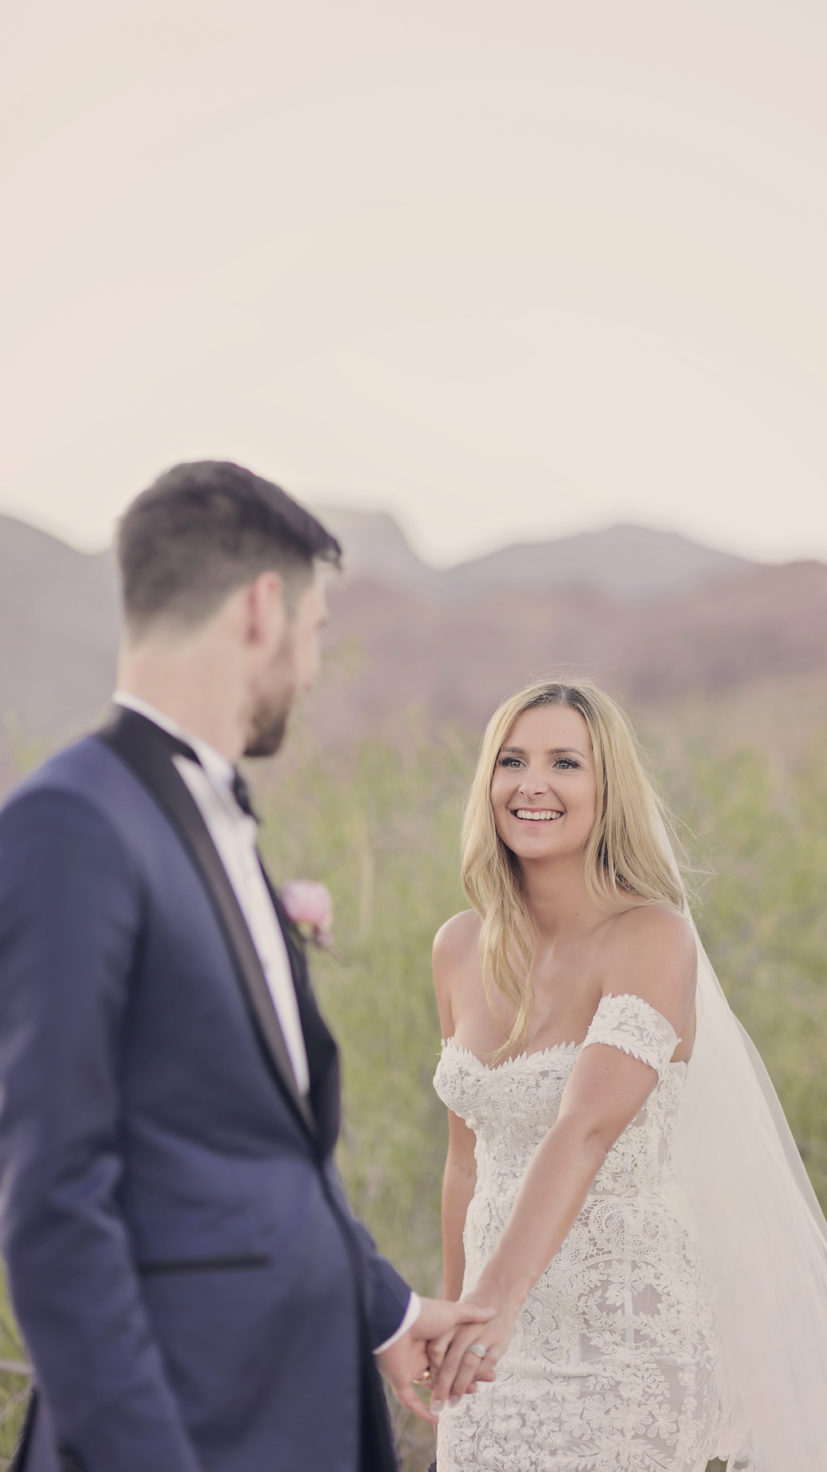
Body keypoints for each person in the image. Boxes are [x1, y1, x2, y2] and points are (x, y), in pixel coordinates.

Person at [0, 461, 491, 1472]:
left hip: (297, 1411)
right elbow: (53, 1205)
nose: (311, 669)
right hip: (182, 1427)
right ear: (263, 608)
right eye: (315, 632)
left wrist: (386, 1309)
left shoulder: (208, 824)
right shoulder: (71, 824)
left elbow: (247, 1146)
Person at [428, 679, 827, 1471]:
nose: (532, 783)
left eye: (565, 762)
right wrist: (452, 1318)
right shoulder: (458, 947)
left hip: (625, 1341)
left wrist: (491, 1302)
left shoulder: (651, 938)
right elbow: (466, 1159)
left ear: (606, 790)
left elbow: (585, 1129)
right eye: (512, 760)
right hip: (491, 1350)